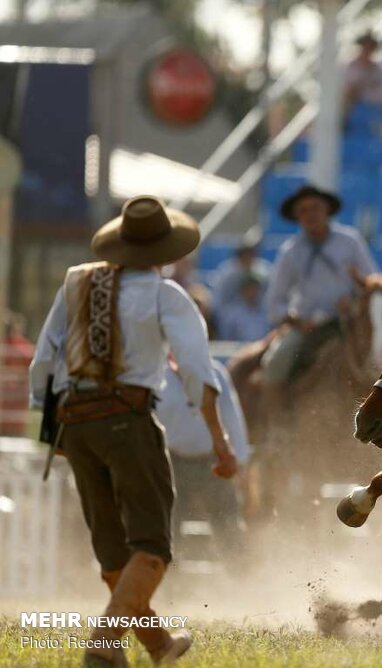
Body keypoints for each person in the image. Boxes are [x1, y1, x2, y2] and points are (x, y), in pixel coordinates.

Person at [28, 196, 237, 665]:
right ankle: (104, 642)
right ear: (166, 250)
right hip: (127, 421)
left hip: (74, 424)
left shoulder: (75, 284)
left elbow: (44, 362)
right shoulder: (167, 296)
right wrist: (220, 444)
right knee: (151, 545)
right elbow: (198, 373)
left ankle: (157, 644)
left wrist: (52, 433)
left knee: (113, 547)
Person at [262, 185, 377, 388]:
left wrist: (353, 300)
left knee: (381, 356)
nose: (310, 215)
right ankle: (275, 416)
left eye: (315, 207)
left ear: (327, 210)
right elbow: (274, 303)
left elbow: (372, 284)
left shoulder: (350, 241)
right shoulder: (290, 252)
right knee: (276, 363)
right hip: (308, 328)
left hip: (348, 322)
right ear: (297, 217)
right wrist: (296, 321)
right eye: (303, 210)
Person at [161, 356, 251, 562]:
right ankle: (168, 582)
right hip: (172, 463)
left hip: (213, 461)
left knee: (228, 525)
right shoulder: (158, 377)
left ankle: (240, 574)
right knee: (168, 527)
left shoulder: (216, 372)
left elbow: (231, 415)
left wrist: (242, 460)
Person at [210, 228, 271, 309]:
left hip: (258, 315)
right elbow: (219, 300)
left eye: (250, 253)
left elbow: (270, 298)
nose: (247, 257)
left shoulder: (265, 271)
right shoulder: (226, 273)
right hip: (232, 315)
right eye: (244, 254)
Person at [1, 311, 33, 435]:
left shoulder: (24, 347)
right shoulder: (6, 344)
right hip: (7, 394)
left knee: (16, 427)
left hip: (17, 393)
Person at [218, 274, 271, 342]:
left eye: (255, 289)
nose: (252, 293)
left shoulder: (267, 312)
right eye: (249, 289)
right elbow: (226, 340)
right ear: (242, 291)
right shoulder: (232, 315)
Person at [344, 32, 382, 106]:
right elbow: (348, 89)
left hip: (371, 106)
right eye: (365, 47)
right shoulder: (351, 67)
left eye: (370, 47)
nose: (367, 50)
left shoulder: (378, 69)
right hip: (351, 106)